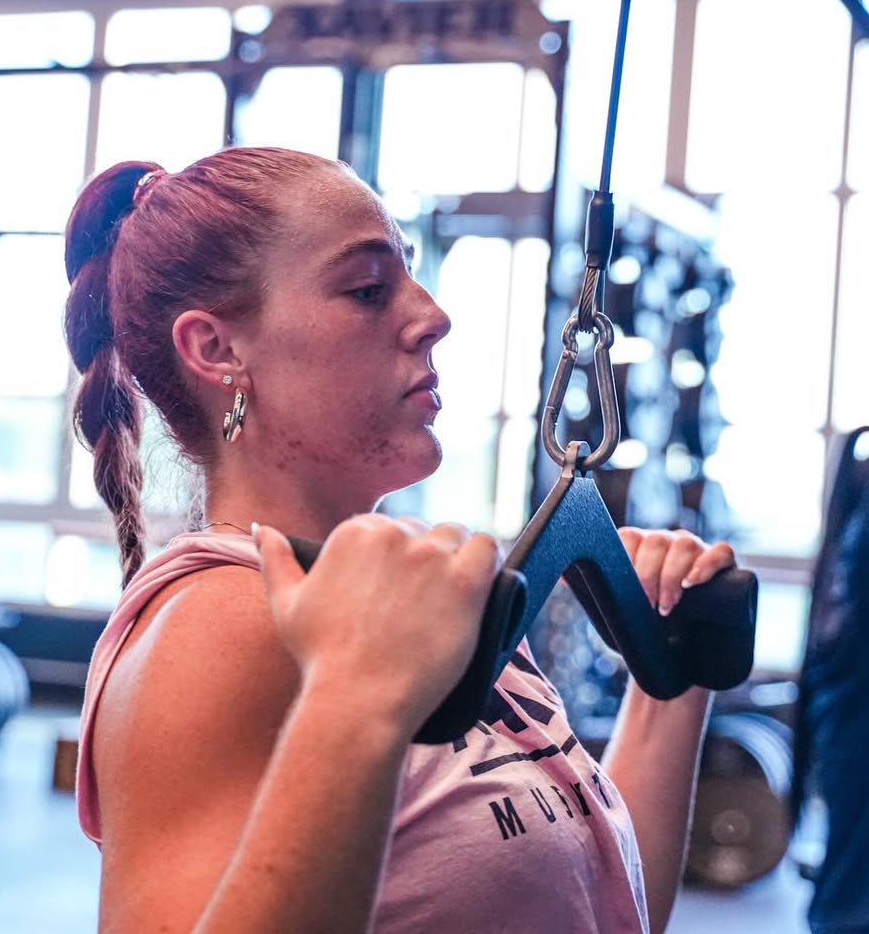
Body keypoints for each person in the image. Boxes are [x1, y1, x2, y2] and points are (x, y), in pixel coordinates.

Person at [64, 147, 736, 934]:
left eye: (410, 276)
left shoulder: (412, 600)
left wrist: (673, 679)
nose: (432, 314)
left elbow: (599, 907)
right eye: (368, 288)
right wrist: (361, 702)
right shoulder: (222, 628)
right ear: (217, 349)